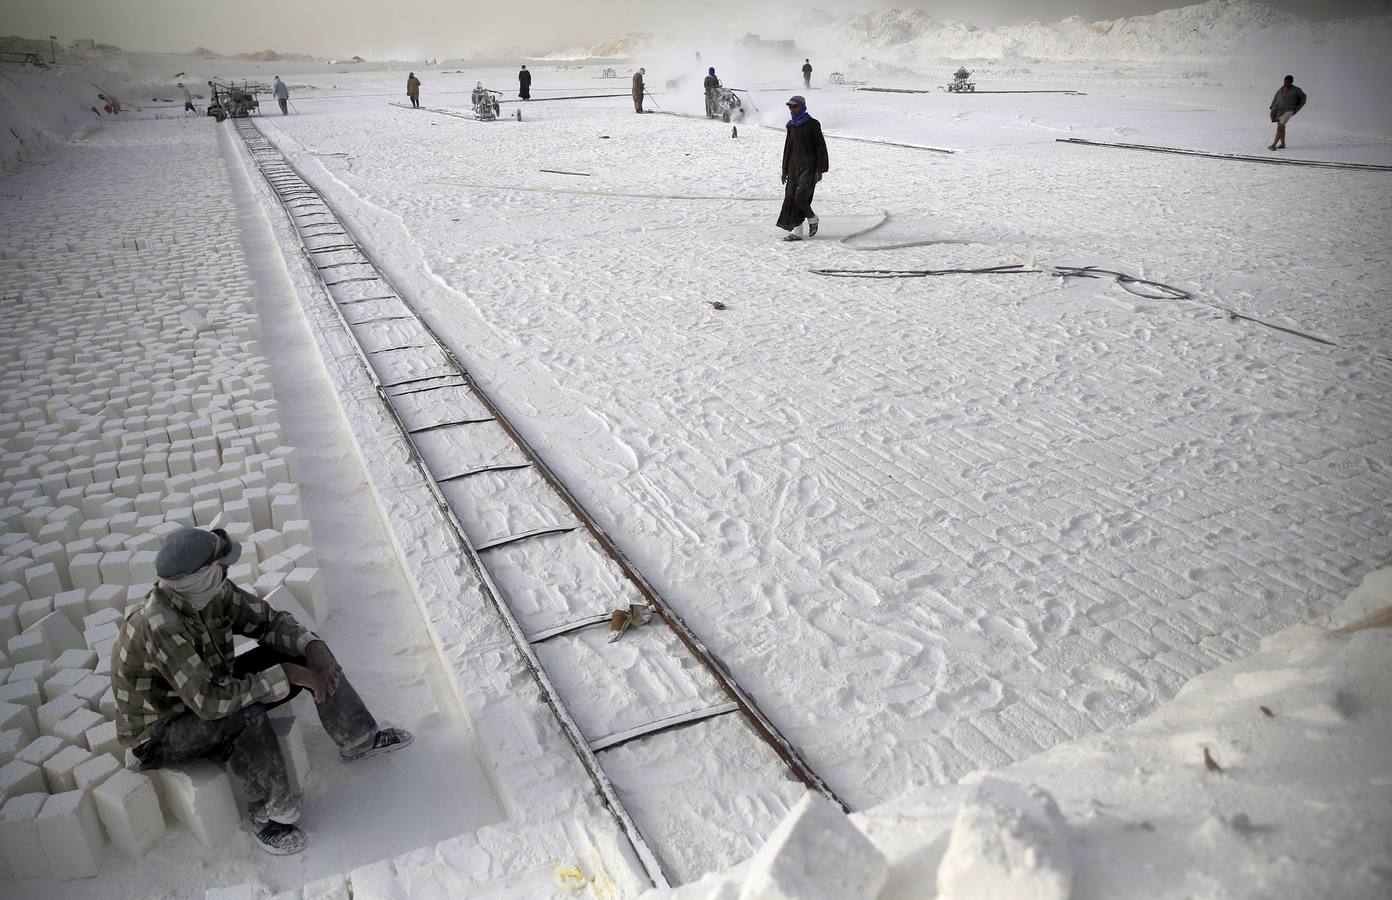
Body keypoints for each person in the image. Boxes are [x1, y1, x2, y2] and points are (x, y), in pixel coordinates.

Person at [111, 526, 413, 854]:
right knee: (246, 713)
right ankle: (267, 815)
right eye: (221, 567)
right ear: (199, 577)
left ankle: (358, 738)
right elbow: (210, 703)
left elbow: (268, 622)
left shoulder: (213, 594)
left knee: (301, 651)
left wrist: (311, 646)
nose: (227, 572)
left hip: (208, 688)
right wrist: (285, 674)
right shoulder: (160, 625)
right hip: (163, 732)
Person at [777, 95, 829, 242]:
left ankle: (813, 219)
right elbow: (788, 148)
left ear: (802, 106)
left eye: (795, 106)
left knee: (800, 197)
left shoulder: (813, 124)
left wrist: (820, 169)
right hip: (793, 167)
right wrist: (784, 170)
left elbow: (821, 147)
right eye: (790, 107)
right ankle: (797, 233)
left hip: (809, 166)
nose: (792, 110)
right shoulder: (791, 126)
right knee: (790, 198)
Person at [1268, 74, 1306, 151]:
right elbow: (1276, 98)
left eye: (1288, 82)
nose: (1286, 84)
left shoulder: (1296, 90)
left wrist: (1298, 107)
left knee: (1280, 126)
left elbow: (1303, 97)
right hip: (1280, 110)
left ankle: (1274, 144)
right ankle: (1282, 144)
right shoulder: (1281, 89)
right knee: (1281, 126)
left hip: (1289, 110)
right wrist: (1273, 107)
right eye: (1285, 82)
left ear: (1291, 82)